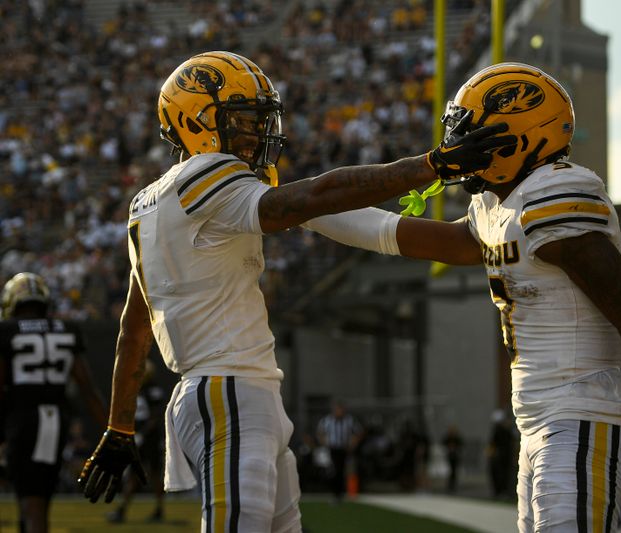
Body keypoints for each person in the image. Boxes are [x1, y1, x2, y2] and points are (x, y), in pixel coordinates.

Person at [77, 50, 514, 533]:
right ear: (194, 121)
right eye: (241, 121)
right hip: (228, 391)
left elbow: (133, 332)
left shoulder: (149, 207)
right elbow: (311, 199)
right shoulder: (202, 176)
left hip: (230, 390)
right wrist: (430, 165)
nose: (255, 134)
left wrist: (119, 426)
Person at [302, 62, 621, 531]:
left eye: (472, 136)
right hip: (542, 419)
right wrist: (297, 209)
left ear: (520, 137)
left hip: (585, 410)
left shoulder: (553, 194)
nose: (458, 149)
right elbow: (395, 233)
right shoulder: (495, 206)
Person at [0, 272, 107, 533]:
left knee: (32, 501)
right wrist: (111, 432)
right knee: (37, 499)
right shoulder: (66, 329)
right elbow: (87, 388)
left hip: (23, 420)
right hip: (56, 420)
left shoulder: (8, 330)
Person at [106, 358, 166, 524]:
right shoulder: (136, 388)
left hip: (149, 439)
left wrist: (143, 434)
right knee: (133, 474)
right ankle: (123, 509)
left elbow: (155, 416)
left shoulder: (152, 390)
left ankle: (157, 509)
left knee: (153, 474)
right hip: (138, 438)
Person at [315, 401, 362, 502]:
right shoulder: (327, 420)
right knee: (334, 471)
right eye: (337, 410)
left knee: (342, 471)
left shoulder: (349, 420)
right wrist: (324, 443)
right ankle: (336, 493)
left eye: (340, 410)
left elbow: (358, 432)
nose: (339, 412)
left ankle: (340, 493)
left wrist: (353, 444)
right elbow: (320, 432)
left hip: (344, 449)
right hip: (332, 448)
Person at [441, 425, 463, 493]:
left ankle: (453, 484)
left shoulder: (457, 438)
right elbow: (443, 442)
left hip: (455, 456)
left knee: (454, 471)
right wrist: (449, 447)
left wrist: (455, 447)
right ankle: (450, 484)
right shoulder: (448, 437)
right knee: (450, 471)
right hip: (450, 456)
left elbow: (461, 444)